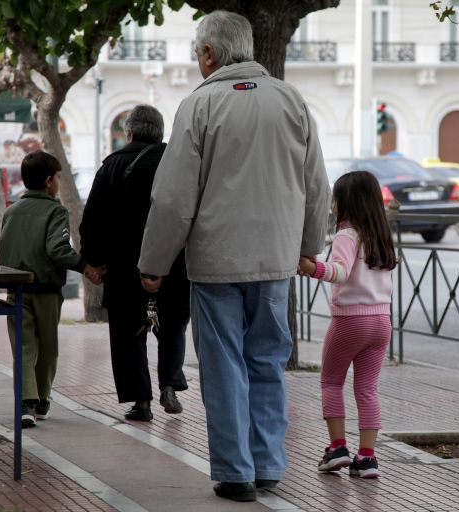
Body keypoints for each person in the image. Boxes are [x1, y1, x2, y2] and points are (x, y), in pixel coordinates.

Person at [137, 10, 331, 502]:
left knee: (224, 365)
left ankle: (234, 472)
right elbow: (316, 187)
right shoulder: (292, 101)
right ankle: (267, 465)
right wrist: (307, 248)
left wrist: (153, 263)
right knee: (267, 360)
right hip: (276, 262)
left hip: (217, 262)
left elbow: (173, 198)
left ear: (208, 53)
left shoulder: (199, 105)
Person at [79, 105, 189, 422]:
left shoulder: (113, 166)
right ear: (160, 132)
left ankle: (141, 401)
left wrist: (96, 262)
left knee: (128, 334)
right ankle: (169, 383)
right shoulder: (177, 164)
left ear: (129, 132)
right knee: (172, 325)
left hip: (126, 267)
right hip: (174, 265)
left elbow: (92, 220)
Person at [298, 170, 398, 480]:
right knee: (367, 389)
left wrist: (312, 268)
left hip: (350, 321)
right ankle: (367, 458)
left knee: (331, 382)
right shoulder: (380, 235)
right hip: (382, 322)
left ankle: (337, 448)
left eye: (336, 199)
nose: (333, 205)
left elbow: (339, 272)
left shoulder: (346, 235)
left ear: (347, 203)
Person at [0, 150, 102, 428]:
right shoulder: (56, 210)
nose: (58, 182)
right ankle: (42, 399)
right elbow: (57, 249)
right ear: (48, 181)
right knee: (48, 348)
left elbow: (4, 248)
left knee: (23, 347)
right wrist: (85, 267)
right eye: (58, 177)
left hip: (15, 289)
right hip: (45, 290)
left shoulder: (11, 211)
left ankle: (25, 404)